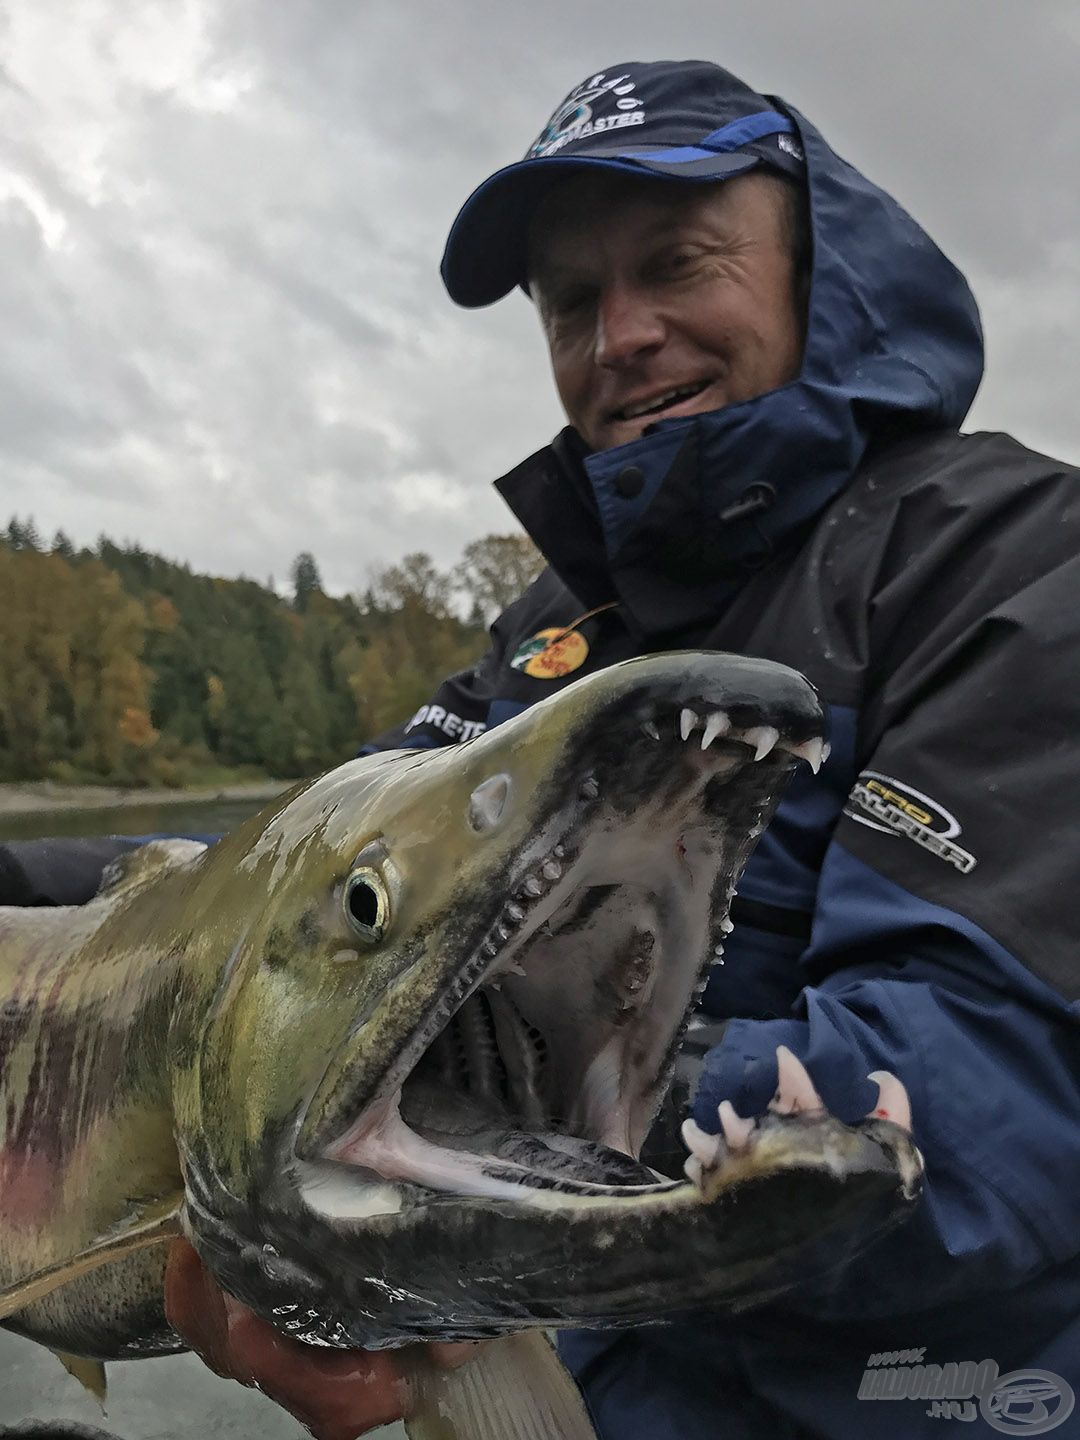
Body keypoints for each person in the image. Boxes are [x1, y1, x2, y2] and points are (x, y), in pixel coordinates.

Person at [6, 59, 1080, 1439]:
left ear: (822, 272)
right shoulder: (559, 635)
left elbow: (999, 1076)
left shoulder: (1020, 563)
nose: (619, 332)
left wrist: (469, 1165)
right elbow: (300, 888)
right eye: (574, 300)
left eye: (676, 263)